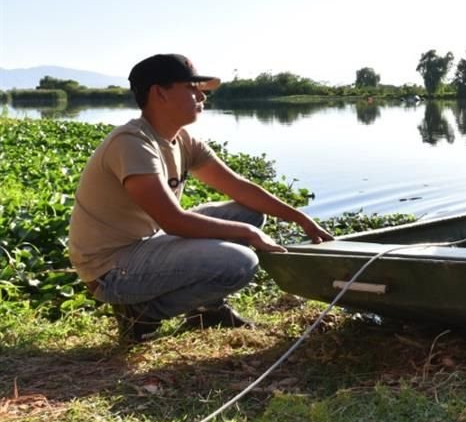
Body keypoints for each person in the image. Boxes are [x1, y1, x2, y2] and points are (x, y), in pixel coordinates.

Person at [68, 53, 334, 344]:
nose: (202, 96)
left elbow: (239, 188)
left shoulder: (182, 140)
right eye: (191, 88)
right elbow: (174, 222)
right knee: (240, 262)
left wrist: (300, 218)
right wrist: (249, 234)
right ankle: (140, 312)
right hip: (111, 269)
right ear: (159, 93)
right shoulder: (132, 143)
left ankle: (206, 310)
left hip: (147, 245)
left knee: (249, 212)